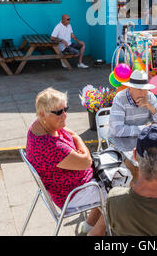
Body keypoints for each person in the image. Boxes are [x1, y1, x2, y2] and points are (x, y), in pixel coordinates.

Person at [25, 88, 106, 236]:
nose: (65, 115)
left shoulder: (40, 125)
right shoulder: (50, 146)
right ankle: (96, 233)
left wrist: (73, 137)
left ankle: (88, 226)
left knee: (112, 172)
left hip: (67, 184)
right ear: (42, 114)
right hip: (72, 194)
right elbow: (86, 161)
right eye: (58, 112)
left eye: (65, 109)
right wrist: (77, 137)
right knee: (119, 189)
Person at [109, 70, 157, 184]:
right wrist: (145, 129)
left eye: (145, 88)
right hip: (121, 145)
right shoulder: (120, 99)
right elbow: (117, 130)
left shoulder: (150, 97)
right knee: (137, 170)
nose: (143, 93)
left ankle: (150, 196)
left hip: (142, 143)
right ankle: (135, 198)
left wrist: (151, 108)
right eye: (139, 89)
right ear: (130, 89)